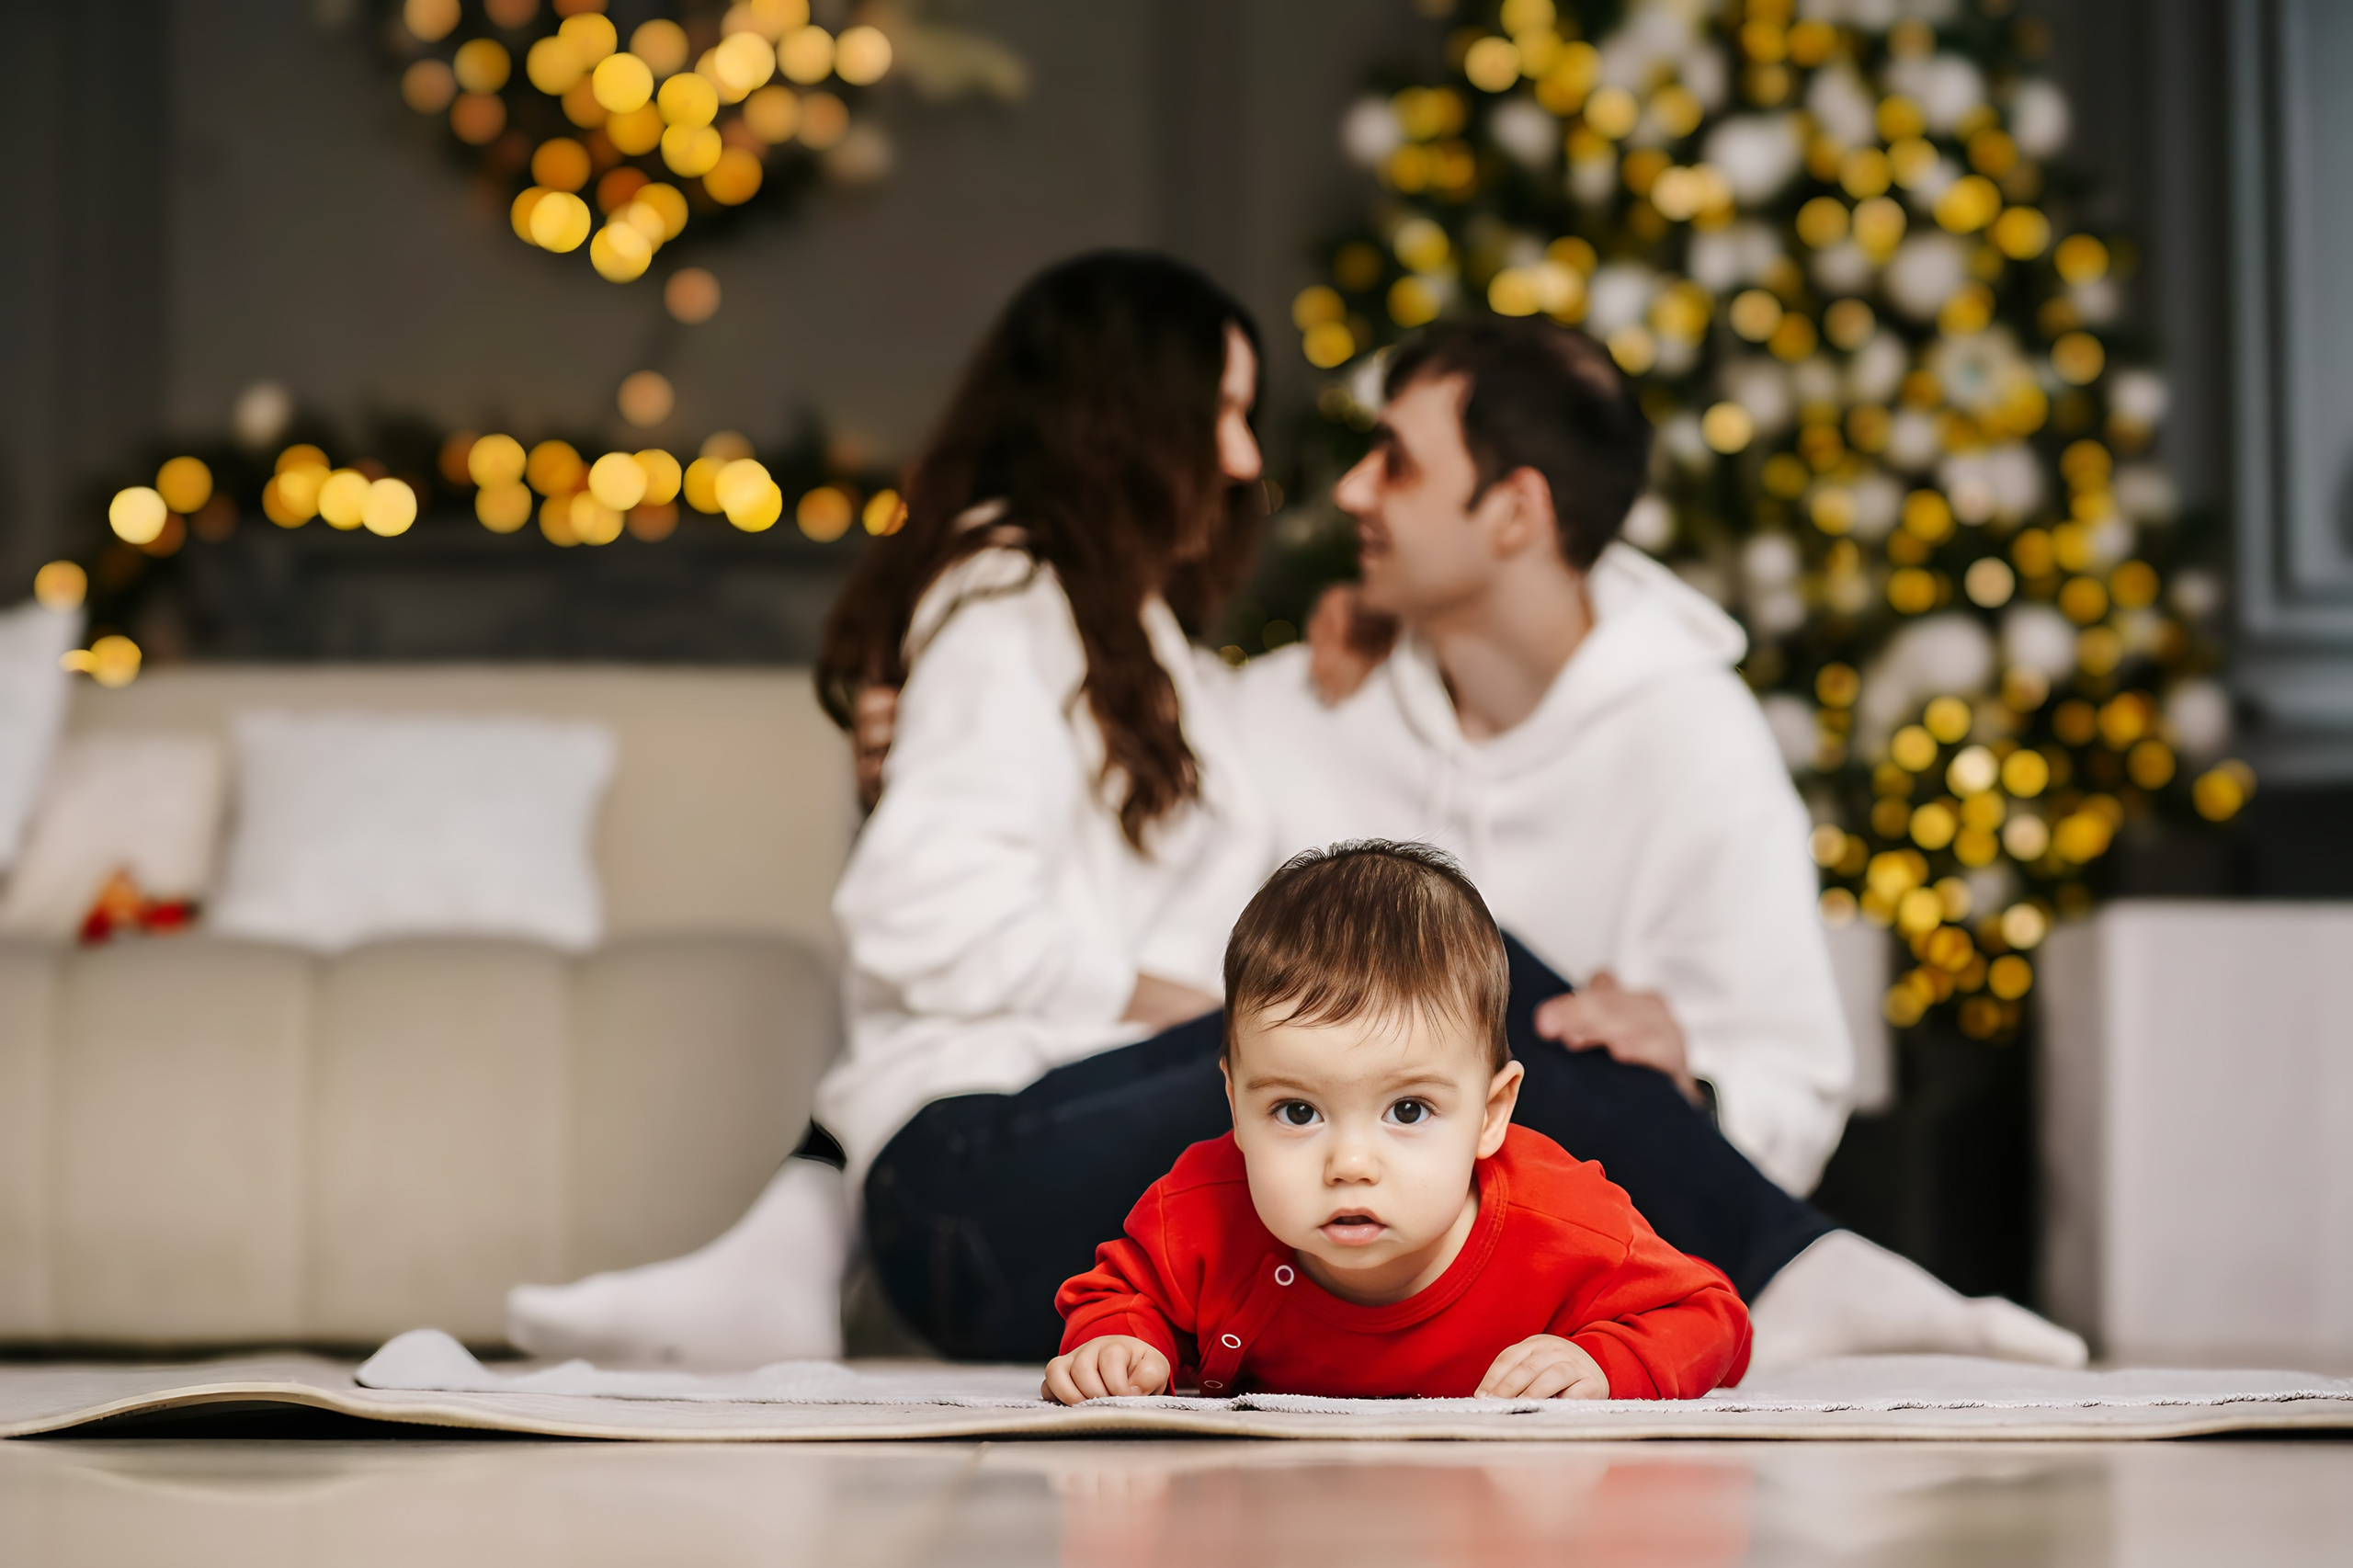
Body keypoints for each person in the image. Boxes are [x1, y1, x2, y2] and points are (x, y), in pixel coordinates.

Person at [506, 254, 2081, 1376]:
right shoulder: (1018, 600)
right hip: (983, 1177)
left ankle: (1757, 1270)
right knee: (1454, 982)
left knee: (1441, 1014)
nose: (1277, 470)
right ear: (1139, 417)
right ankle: (1793, 1269)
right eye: (1234, 414)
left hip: (1050, 1167)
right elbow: (928, 906)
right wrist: (1182, 988)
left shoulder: (1159, 655)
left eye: (1386, 458)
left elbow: (1172, 812)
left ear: (1515, 513)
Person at [1048, 842, 1749, 1403]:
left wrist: (1607, 1362)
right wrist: (1119, 1342)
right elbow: (1119, 1291)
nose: (1351, 1163)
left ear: (1490, 1115)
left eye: (1408, 1111)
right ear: (1235, 1106)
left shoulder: (1562, 1225)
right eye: (1297, 1112)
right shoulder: (1201, 1207)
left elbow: (1712, 1317)